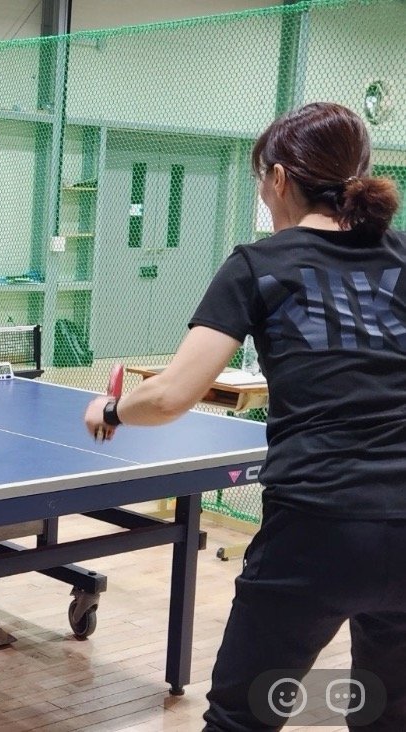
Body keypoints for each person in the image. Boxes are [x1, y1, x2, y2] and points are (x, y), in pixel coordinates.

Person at [84, 102, 405, 731]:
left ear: (279, 179)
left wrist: (112, 408)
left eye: (262, 180)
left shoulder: (259, 264)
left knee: (244, 716)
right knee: (389, 712)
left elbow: (171, 395)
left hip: (318, 523)